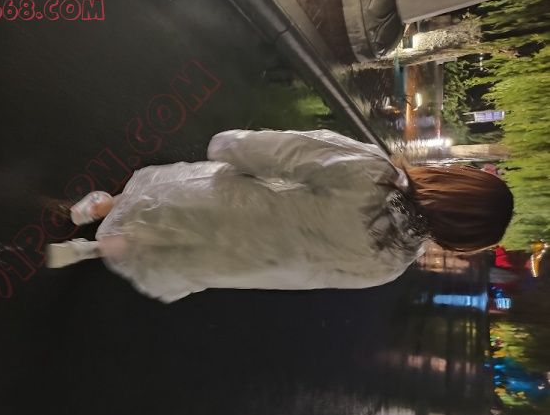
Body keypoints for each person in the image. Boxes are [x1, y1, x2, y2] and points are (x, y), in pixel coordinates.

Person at [45, 129, 514, 303]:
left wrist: (228, 145)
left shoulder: (374, 174)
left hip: (230, 202)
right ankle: (88, 250)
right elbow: (309, 277)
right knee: (163, 244)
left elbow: (283, 151)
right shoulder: (390, 266)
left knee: (155, 202)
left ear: (453, 180)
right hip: (242, 259)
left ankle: (98, 208)